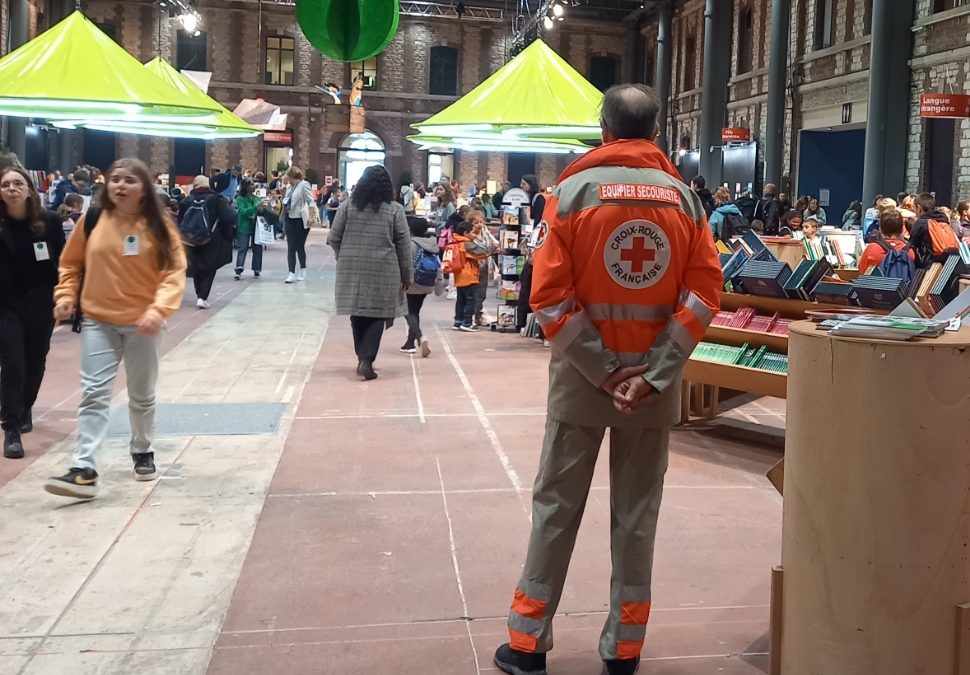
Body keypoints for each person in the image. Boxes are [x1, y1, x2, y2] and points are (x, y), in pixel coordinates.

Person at [493, 84, 721, 675]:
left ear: (603, 127)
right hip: (651, 391)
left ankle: (526, 645)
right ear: (654, 130)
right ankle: (623, 651)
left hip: (580, 385)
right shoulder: (687, 204)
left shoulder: (569, 196)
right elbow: (704, 295)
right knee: (637, 516)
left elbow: (546, 299)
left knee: (555, 509)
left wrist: (602, 370)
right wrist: (652, 374)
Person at [46, 158, 187, 498]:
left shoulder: (159, 226)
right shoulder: (92, 219)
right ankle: (84, 468)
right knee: (94, 393)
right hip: (99, 320)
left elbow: (173, 272)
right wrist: (66, 295)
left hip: (144, 324)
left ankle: (142, 449)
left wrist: (158, 310)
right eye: (115, 180)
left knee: (141, 395)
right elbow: (71, 263)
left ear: (145, 190)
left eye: (129, 181)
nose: (120, 186)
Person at [0, 167, 65, 459]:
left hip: (41, 301)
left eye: (17, 183)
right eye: (5, 185)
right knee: (13, 364)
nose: (11, 189)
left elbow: (65, 263)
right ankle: (11, 429)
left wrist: (65, 297)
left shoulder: (49, 221)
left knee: (36, 361)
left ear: (29, 189)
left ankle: (26, 406)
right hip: (6, 303)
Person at [329, 165, 410, 381]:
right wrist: (406, 274)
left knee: (357, 312)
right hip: (384, 268)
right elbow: (403, 245)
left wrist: (343, 257)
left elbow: (334, 237)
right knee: (379, 313)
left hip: (351, 267)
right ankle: (366, 359)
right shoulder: (395, 210)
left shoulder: (347, 206)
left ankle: (362, 357)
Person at [180, 174, 236, 308]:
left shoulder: (187, 200)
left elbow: (180, 220)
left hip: (190, 240)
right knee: (209, 268)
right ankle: (202, 297)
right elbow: (229, 217)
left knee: (196, 267)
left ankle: (199, 293)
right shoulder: (215, 199)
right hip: (211, 239)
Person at [402, 216, 441, 357]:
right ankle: (409, 343)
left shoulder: (410, 244)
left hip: (412, 282)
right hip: (427, 282)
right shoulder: (432, 243)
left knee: (406, 311)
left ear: (410, 229)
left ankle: (419, 337)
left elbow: (406, 263)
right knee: (415, 311)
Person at [515, 174, 546, 332]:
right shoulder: (530, 199)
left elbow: (540, 221)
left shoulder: (538, 199)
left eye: (524, 184)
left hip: (537, 241)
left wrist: (534, 240)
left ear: (531, 184)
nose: (522, 187)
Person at [450, 221, 490, 332]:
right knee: (471, 300)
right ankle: (467, 322)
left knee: (460, 300)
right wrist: (492, 249)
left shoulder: (455, 242)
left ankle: (458, 321)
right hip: (469, 276)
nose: (475, 235)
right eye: (473, 232)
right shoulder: (467, 244)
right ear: (466, 233)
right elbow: (482, 252)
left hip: (459, 276)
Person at [909, 192, 959, 268]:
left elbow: (912, 246)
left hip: (928, 266)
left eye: (914, 208)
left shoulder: (920, 223)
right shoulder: (944, 221)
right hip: (948, 265)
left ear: (919, 208)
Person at [857, 209, 916, 275]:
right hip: (900, 285)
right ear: (902, 229)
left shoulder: (871, 249)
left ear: (880, 229)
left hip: (877, 285)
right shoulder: (910, 252)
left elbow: (861, 273)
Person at [282, 166, 314, 283]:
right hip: (289, 217)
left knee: (299, 246)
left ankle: (303, 270)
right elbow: (287, 201)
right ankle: (291, 273)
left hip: (301, 219)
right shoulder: (289, 187)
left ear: (291, 176)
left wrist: (311, 216)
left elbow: (310, 200)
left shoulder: (304, 185)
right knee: (291, 246)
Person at [233, 178, 264, 280]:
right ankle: (239, 268)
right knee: (242, 247)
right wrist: (255, 208)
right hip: (244, 226)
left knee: (257, 248)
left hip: (256, 226)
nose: (253, 186)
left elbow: (260, 211)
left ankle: (257, 268)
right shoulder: (240, 199)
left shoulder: (256, 198)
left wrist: (262, 209)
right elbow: (243, 212)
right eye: (251, 185)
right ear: (245, 187)